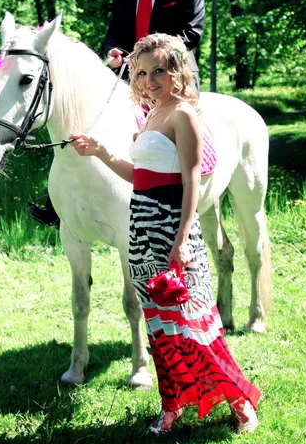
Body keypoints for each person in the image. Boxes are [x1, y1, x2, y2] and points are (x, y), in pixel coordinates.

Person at [71, 33, 260, 435]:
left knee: (194, 323)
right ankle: (170, 405)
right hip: (141, 230)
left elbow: (191, 180)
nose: (151, 78)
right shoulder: (151, 114)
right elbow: (140, 177)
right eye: (142, 72)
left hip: (173, 229)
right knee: (159, 327)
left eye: (159, 69)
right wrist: (100, 153)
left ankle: (239, 400)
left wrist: (183, 239)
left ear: (177, 71)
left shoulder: (183, 115)